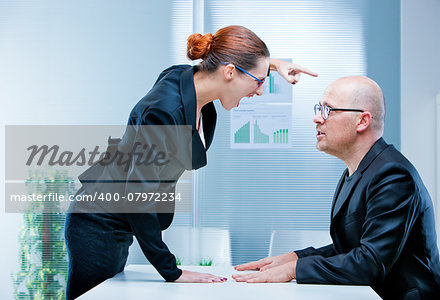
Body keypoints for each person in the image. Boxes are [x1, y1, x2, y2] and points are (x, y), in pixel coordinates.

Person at [64, 25, 318, 299]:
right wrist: (171, 270)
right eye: (259, 81)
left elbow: (234, 59)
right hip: (97, 222)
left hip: (117, 222)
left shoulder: (184, 79)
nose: (260, 91)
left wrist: (272, 65)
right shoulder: (163, 112)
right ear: (229, 72)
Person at [233, 76, 440, 300]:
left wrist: (294, 270)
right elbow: (349, 248)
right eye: (319, 109)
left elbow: (370, 262)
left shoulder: (393, 175)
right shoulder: (357, 170)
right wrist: (295, 258)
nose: (317, 118)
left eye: (328, 110)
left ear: (362, 121)